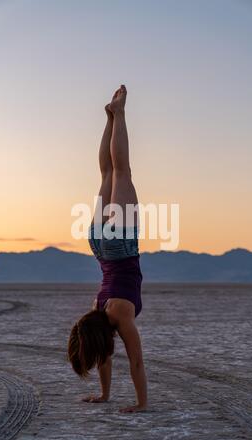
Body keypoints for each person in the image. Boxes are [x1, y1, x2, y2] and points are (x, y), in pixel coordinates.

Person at [68, 85, 147, 413]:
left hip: (120, 244)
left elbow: (137, 363)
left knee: (121, 171)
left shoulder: (121, 315)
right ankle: (109, 117)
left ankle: (120, 113)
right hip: (98, 246)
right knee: (106, 173)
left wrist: (142, 404)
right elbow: (105, 357)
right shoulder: (98, 306)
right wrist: (104, 395)